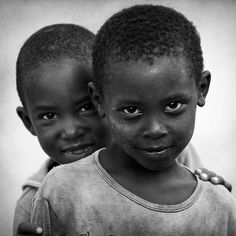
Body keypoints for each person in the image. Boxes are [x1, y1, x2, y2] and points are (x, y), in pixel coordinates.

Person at [31, 5, 236, 235]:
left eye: (173, 105)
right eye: (131, 110)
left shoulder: (218, 206)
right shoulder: (61, 192)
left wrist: (213, 196)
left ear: (201, 89)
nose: (155, 129)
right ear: (99, 101)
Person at [13, 23, 111, 235]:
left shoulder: (159, 157)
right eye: (49, 116)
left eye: (86, 107)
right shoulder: (33, 205)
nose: (71, 131)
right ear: (28, 122)